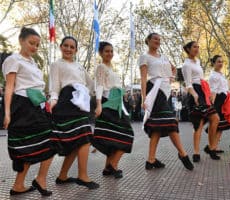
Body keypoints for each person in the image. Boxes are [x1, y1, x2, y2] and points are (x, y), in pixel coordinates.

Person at [2, 27, 55, 196]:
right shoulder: (13, 60)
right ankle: (25, 183)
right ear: (21, 41)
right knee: (28, 145)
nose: (35, 47)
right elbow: (9, 87)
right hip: (23, 106)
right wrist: (7, 113)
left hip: (37, 105)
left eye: (37, 45)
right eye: (31, 43)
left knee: (46, 142)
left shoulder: (33, 63)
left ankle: (27, 182)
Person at [49, 36, 99, 189]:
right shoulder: (56, 64)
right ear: (61, 47)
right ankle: (82, 176)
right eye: (66, 46)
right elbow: (54, 86)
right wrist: (53, 101)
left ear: (76, 50)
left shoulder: (80, 67)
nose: (68, 49)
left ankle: (62, 176)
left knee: (78, 141)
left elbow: (92, 85)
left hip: (81, 102)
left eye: (72, 47)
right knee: (84, 137)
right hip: (67, 101)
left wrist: (103, 93)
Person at [139, 33, 193, 170]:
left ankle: (150, 160)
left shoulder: (164, 57)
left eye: (159, 39)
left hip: (167, 91)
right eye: (155, 39)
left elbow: (173, 69)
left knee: (157, 126)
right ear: (148, 41)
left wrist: (171, 77)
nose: (157, 41)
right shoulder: (144, 57)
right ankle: (183, 154)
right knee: (170, 122)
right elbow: (143, 78)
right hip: (155, 91)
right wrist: (144, 97)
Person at [92, 42, 134, 178]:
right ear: (100, 53)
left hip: (117, 105)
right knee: (128, 134)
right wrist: (98, 104)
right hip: (107, 104)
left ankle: (107, 168)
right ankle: (113, 164)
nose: (110, 53)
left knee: (114, 137)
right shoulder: (101, 67)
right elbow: (99, 86)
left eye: (111, 51)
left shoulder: (111, 68)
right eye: (106, 51)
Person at [182, 41, 220, 161]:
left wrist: (207, 94)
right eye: (194, 47)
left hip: (203, 91)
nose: (197, 49)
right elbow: (188, 84)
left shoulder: (198, 62)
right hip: (195, 92)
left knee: (215, 119)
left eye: (198, 46)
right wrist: (195, 95)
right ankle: (196, 153)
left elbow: (202, 79)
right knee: (199, 124)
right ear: (188, 49)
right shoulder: (186, 65)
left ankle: (211, 147)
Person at [208, 55, 230, 155]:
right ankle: (214, 147)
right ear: (213, 63)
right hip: (219, 101)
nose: (221, 63)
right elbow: (213, 92)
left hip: (226, 100)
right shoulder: (213, 76)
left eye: (222, 62)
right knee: (221, 125)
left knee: (228, 122)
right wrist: (212, 107)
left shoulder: (220, 74)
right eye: (218, 62)